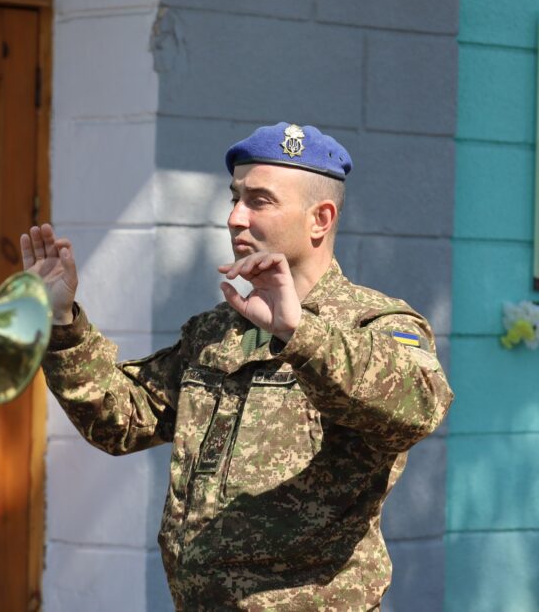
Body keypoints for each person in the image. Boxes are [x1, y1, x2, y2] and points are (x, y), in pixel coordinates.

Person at [22, 122, 453, 610]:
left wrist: (300, 333)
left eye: (259, 200)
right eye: (234, 198)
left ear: (321, 218)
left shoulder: (375, 324)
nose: (234, 217)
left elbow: (419, 409)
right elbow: (122, 420)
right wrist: (62, 322)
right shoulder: (219, 329)